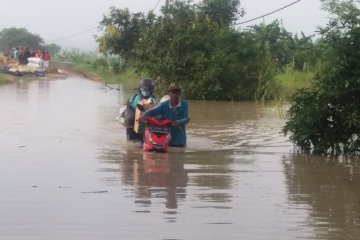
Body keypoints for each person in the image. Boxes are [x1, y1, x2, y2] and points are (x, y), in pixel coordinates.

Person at [142, 83, 189, 147]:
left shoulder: (184, 104)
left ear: (179, 94)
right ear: (169, 94)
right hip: (166, 140)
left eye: (176, 93)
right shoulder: (164, 105)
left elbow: (186, 118)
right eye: (173, 93)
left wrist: (179, 122)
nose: (175, 95)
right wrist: (143, 115)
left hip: (180, 141)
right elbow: (152, 111)